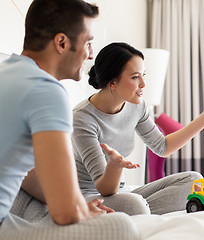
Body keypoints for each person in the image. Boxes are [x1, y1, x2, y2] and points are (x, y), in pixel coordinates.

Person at [0, 1, 139, 239]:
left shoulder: (6, 74)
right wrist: (77, 210)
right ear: (62, 42)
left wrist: (78, 206)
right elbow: (65, 214)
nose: (92, 54)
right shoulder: (46, 91)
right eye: (88, 43)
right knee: (121, 226)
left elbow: (23, 173)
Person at [72, 42, 204, 215]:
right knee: (134, 204)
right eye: (135, 77)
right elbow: (104, 188)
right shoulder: (82, 118)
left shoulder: (136, 106)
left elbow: (162, 147)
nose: (143, 84)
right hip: (90, 196)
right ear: (112, 83)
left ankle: (141, 208)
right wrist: (115, 167)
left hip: (123, 192)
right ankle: (139, 209)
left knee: (193, 180)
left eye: (144, 75)